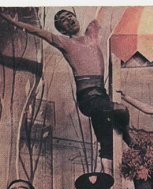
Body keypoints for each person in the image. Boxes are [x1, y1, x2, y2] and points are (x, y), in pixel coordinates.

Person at [0, 8, 130, 172]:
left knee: (106, 137)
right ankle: (127, 138)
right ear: (62, 30)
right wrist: (12, 21)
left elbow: (102, 10)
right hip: (88, 98)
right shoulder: (64, 42)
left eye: (70, 16)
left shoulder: (91, 33)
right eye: (64, 20)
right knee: (118, 111)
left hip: (101, 96)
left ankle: (108, 176)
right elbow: (37, 31)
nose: (69, 20)